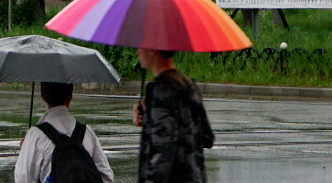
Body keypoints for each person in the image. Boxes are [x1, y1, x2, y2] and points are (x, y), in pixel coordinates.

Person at [131, 49, 213, 183]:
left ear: (152, 49)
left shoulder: (161, 91)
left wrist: (152, 121)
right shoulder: (189, 85)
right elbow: (206, 137)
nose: (137, 52)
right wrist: (149, 118)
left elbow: (162, 155)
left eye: (140, 46)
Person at [15, 82, 113, 183]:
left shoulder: (35, 135)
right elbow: (107, 176)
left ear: (43, 97)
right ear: (70, 97)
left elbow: (23, 178)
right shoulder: (87, 131)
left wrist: (25, 149)